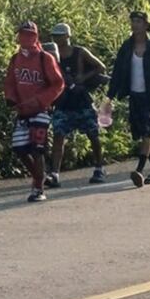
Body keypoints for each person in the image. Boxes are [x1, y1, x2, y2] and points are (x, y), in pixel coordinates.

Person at [108, 11, 150, 187]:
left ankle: (139, 170)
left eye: (138, 22)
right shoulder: (126, 47)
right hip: (135, 95)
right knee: (144, 135)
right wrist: (109, 96)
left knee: (147, 132)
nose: (135, 25)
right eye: (133, 21)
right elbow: (117, 73)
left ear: (146, 25)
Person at [4, 21, 65, 202]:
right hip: (22, 110)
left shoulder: (45, 58)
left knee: (37, 148)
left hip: (40, 110)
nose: (24, 38)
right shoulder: (15, 59)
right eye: (22, 34)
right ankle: (40, 176)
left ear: (35, 36)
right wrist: (11, 98)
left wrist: (40, 100)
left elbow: (58, 83)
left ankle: (38, 188)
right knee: (19, 148)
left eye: (28, 34)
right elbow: (9, 82)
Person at [46, 23, 108, 187]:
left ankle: (99, 167)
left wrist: (84, 77)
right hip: (63, 102)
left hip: (82, 101)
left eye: (60, 35)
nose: (57, 38)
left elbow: (100, 67)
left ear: (67, 35)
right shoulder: (51, 56)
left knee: (93, 135)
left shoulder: (79, 52)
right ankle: (54, 174)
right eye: (55, 36)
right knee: (58, 136)